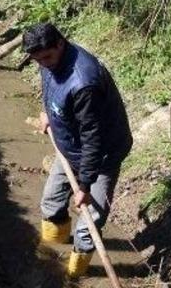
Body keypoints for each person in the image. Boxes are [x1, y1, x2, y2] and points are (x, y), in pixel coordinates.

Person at [23, 23, 133, 278]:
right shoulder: (46, 60)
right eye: (37, 60)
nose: (43, 64)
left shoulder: (85, 82)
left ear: (60, 43)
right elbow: (51, 86)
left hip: (101, 154)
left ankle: (74, 274)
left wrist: (84, 185)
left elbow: (93, 139)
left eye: (47, 57)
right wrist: (49, 113)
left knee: (89, 223)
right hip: (70, 145)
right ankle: (51, 254)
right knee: (50, 204)